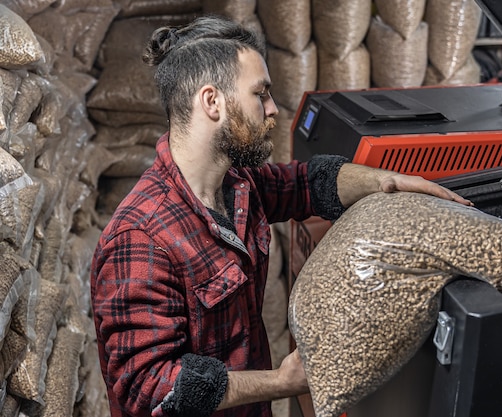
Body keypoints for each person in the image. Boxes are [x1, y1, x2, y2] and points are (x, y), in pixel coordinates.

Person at [90, 14, 473, 417]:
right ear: (212, 102)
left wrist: (388, 182)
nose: (273, 109)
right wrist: (281, 382)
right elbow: (148, 387)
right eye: (260, 94)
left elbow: (307, 182)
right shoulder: (140, 237)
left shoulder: (237, 186)